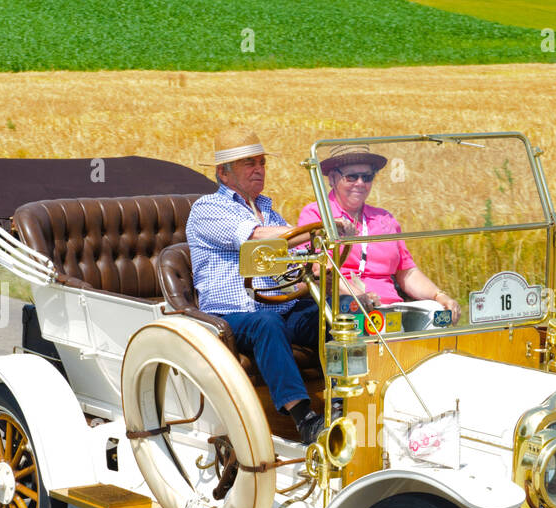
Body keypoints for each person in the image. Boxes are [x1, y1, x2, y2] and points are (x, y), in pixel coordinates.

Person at [187, 128, 352, 445]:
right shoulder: (208, 209)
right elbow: (258, 237)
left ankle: (343, 404)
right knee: (267, 323)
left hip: (281, 306)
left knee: (332, 319)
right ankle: (303, 418)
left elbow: (295, 257)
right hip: (231, 315)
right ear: (224, 172)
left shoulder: (269, 210)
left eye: (261, 162)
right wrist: (318, 228)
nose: (259, 169)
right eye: (249, 163)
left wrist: (321, 268)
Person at [298, 144, 460, 319]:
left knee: (439, 317)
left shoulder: (384, 219)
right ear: (332, 178)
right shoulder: (317, 214)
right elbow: (320, 270)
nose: (360, 183)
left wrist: (439, 295)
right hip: (344, 305)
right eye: (351, 177)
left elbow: (406, 271)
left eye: (367, 177)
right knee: (355, 310)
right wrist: (358, 296)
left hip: (391, 308)